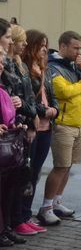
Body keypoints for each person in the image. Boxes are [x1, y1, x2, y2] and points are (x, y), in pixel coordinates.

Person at [38, 31, 81, 226]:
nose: (79, 52)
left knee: (68, 166)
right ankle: (45, 207)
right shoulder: (54, 67)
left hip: (78, 124)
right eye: (75, 48)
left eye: (80, 48)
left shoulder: (74, 65)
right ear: (63, 46)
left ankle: (57, 201)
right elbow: (62, 91)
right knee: (60, 166)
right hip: (63, 125)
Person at [18, 30, 58, 234]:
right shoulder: (24, 69)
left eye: (46, 44)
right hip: (33, 126)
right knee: (26, 174)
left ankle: (26, 213)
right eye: (41, 44)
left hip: (46, 128)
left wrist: (55, 110)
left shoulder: (44, 69)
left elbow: (51, 95)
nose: (44, 48)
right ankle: (19, 217)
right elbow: (29, 100)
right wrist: (46, 111)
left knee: (35, 174)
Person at [3, 24, 38, 238]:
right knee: (10, 182)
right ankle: (12, 222)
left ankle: (15, 220)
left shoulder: (20, 66)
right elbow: (12, 98)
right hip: (14, 126)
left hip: (23, 123)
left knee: (19, 178)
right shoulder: (9, 66)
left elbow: (28, 97)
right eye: (17, 39)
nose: (23, 44)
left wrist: (31, 119)